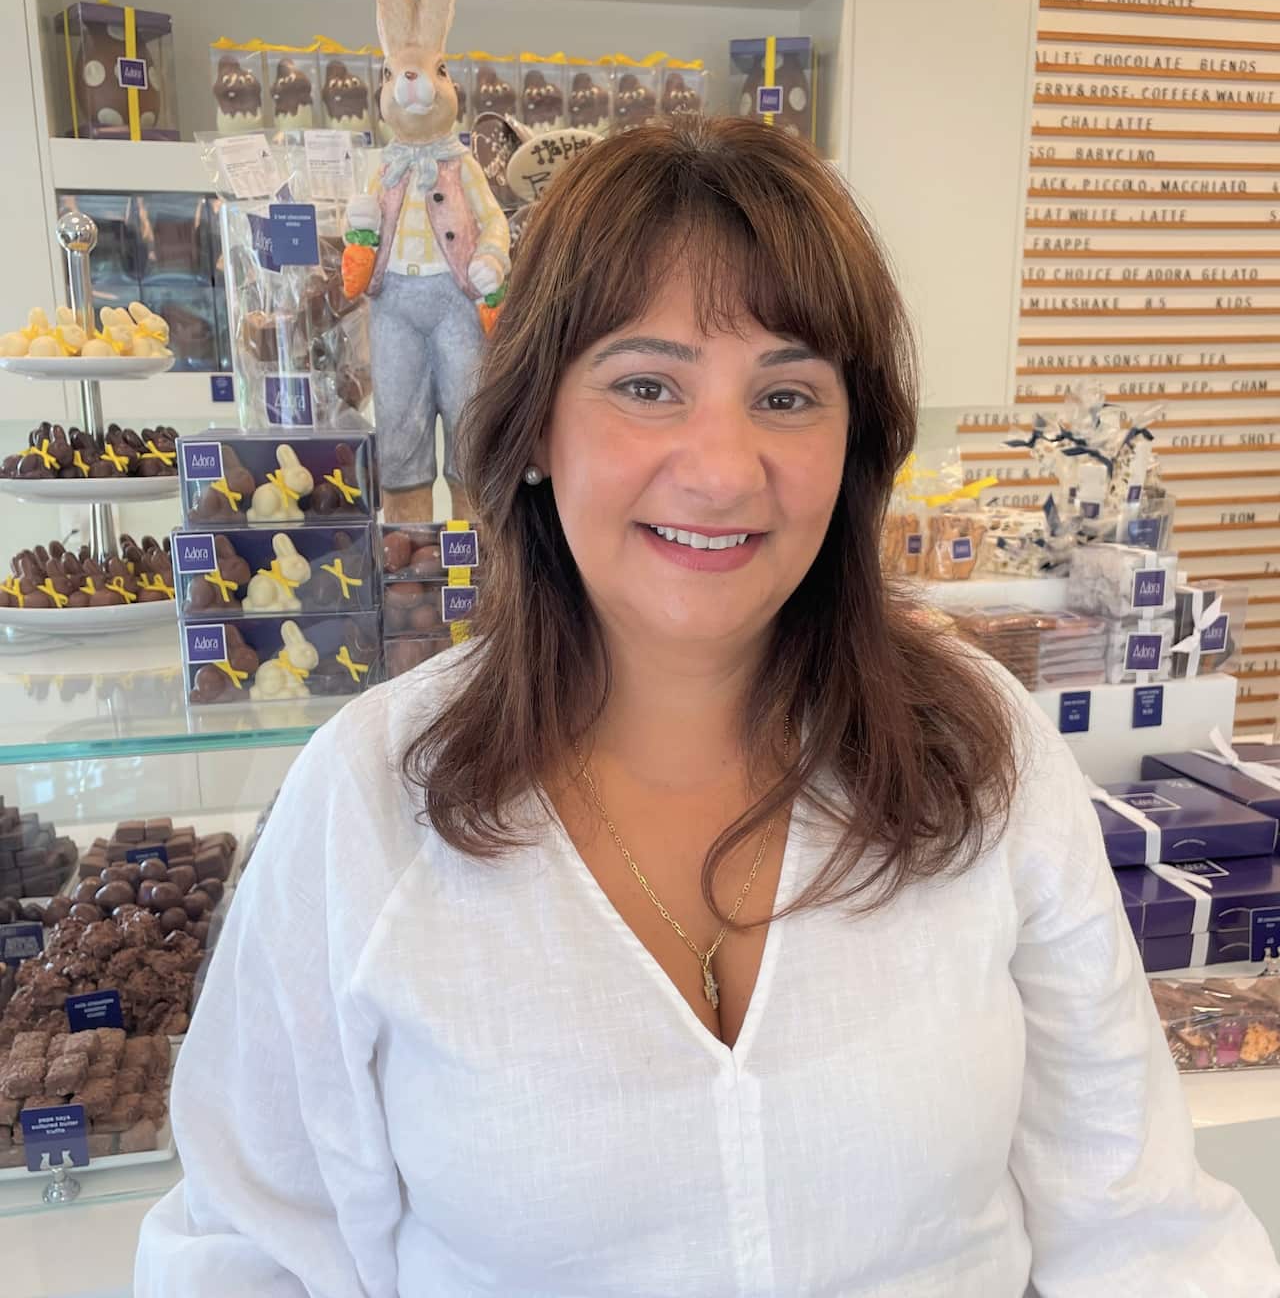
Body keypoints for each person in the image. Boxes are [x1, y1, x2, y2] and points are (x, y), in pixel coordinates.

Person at [136, 117, 1280, 1296]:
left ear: (854, 446)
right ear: (532, 428)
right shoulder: (371, 799)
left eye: (786, 397)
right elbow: (246, 1252)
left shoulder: (976, 754)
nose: (723, 469)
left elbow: (1138, 1229)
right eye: (646, 385)